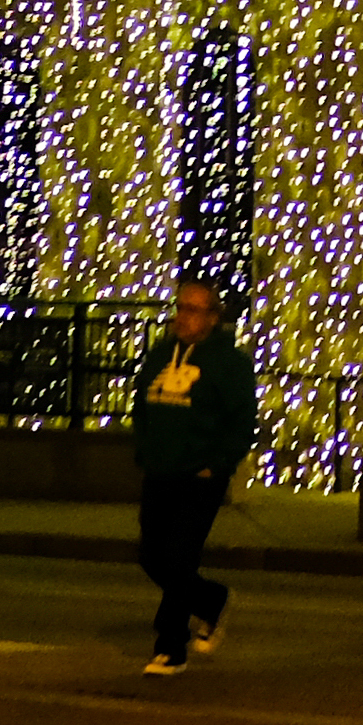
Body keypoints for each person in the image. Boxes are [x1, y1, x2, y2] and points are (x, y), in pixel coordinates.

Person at [130, 277, 256, 676]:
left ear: (213, 318)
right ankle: (212, 600)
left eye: (193, 309)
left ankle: (170, 644)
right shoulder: (160, 354)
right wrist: (146, 448)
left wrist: (218, 463)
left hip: (200, 475)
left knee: (178, 557)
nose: (182, 317)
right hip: (161, 469)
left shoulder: (229, 363)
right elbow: (142, 403)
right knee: (152, 555)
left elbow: (242, 421)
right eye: (181, 307)